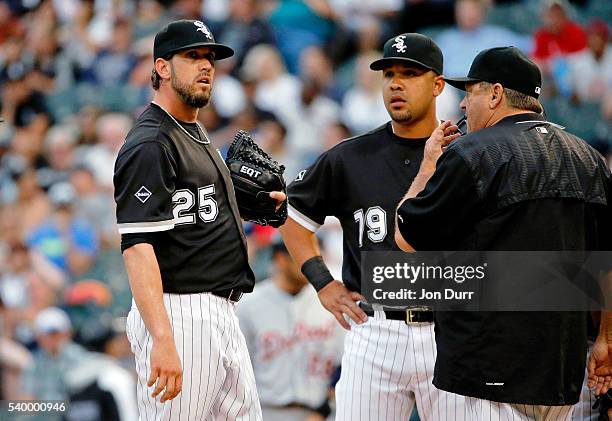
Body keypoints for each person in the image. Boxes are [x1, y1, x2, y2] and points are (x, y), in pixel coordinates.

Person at [395, 46, 612, 420]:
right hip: (560, 374)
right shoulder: (588, 158)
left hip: (484, 371)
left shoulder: (473, 153)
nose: (463, 106)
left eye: (470, 92)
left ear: (495, 93)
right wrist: (607, 339)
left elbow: (407, 238)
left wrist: (429, 165)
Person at [280, 33, 466, 420]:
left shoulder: (466, 155)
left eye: (410, 73)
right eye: (389, 74)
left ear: (437, 85)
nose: (395, 83)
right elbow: (293, 220)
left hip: (451, 326)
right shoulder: (350, 157)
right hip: (376, 329)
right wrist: (323, 283)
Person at [113, 19, 285, 421]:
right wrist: (162, 338)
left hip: (219, 313)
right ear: (162, 68)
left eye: (210, 57)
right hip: (179, 313)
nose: (206, 65)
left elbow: (190, 210)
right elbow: (138, 247)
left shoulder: (191, 130)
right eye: (192, 56)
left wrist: (241, 203)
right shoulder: (151, 143)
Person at [236, 238, 344, 421]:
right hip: (266, 411)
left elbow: (345, 364)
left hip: (323, 413)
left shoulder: (333, 303)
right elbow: (238, 368)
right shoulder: (248, 305)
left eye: (318, 259)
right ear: (281, 259)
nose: (315, 266)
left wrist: (323, 411)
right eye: (307, 258)